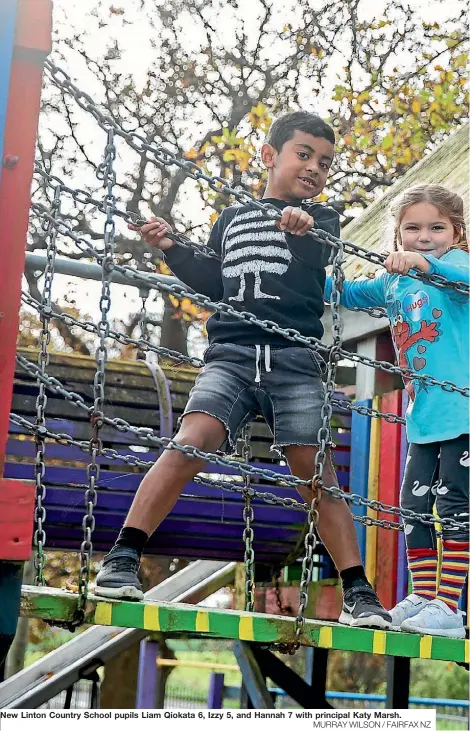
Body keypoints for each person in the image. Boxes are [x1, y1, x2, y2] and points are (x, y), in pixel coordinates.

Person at [95, 111, 392, 629]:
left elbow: (315, 254)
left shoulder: (323, 219)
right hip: (232, 354)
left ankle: (358, 591)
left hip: (295, 363)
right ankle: (123, 555)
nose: (315, 168)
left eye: (325, 162)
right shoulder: (231, 220)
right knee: (193, 439)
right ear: (269, 155)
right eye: (304, 154)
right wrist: (170, 248)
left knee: (315, 476)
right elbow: (215, 280)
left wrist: (300, 230)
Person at [324, 184, 469, 638]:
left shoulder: (457, 264)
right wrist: (303, 266)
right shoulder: (393, 282)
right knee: (414, 507)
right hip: (423, 417)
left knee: (455, 505)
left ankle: (449, 606)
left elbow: (460, 280)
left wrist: (426, 264)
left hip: (463, 412)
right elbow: (345, 294)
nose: (424, 236)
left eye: (435, 227)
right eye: (413, 228)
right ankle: (424, 595)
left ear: (456, 232)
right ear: (398, 234)